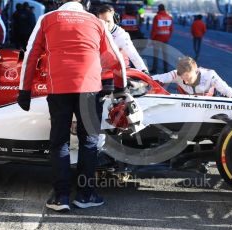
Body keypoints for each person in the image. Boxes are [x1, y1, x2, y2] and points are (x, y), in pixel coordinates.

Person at [17, 0, 126, 212]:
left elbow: (31, 55)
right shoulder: (96, 21)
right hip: (90, 88)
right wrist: (120, 87)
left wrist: (25, 91)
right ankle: (86, 196)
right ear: (83, 5)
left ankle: (61, 198)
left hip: (58, 87)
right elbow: (115, 58)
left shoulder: (46, 19)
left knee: (59, 142)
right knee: (89, 142)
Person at [152, 56, 232, 98]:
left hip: (208, 106)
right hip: (185, 107)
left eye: (187, 76)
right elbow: (159, 77)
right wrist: (143, 80)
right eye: (182, 76)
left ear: (196, 71)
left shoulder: (210, 75)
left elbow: (226, 89)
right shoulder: (177, 74)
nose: (184, 80)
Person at [98, 4, 148, 73]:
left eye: (108, 21)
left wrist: (143, 70)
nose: (105, 26)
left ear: (115, 18)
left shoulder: (121, 35)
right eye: (102, 22)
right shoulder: (96, 32)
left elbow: (133, 55)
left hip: (117, 73)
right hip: (100, 71)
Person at [150, 3, 173, 74]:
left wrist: (152, 38)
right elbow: (171, 29)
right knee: (165, 55)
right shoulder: (169, 17)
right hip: (166, 39)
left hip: (157, 39)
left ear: (159, 9)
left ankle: (154, 69)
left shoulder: (157, 17)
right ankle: (166, 70)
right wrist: (168, 37)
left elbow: (154, 29)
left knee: (156, 55)